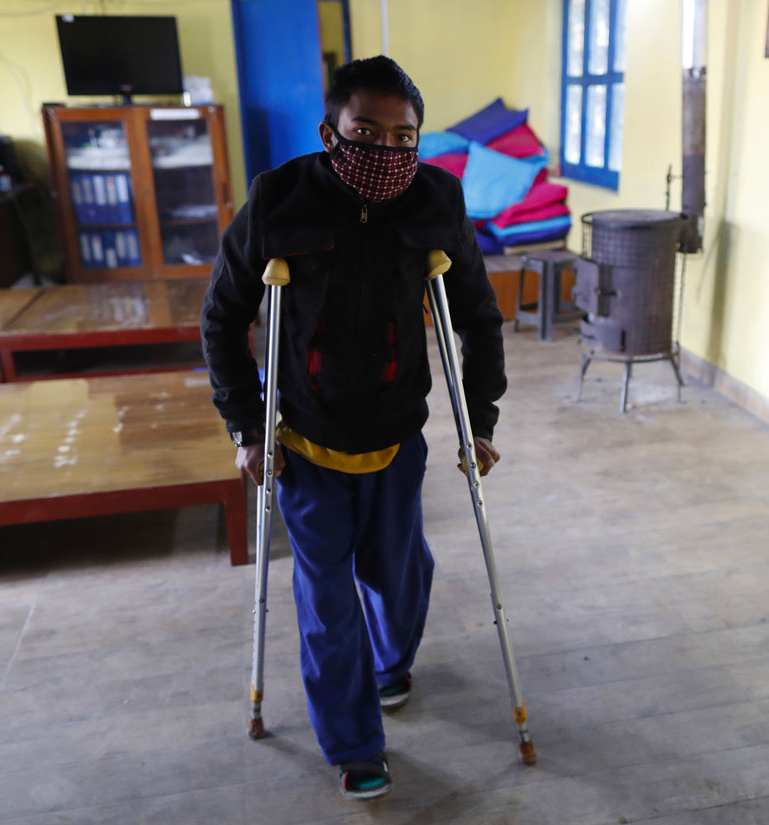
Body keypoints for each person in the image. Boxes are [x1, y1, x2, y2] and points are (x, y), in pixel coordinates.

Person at [200, 55, 506, 800]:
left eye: (404, 138)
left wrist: (482, 416)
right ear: (330, 131)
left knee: (399, 575)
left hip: (398, 435)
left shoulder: (436, 198)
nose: (386, 151)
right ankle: (354, 741)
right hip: (305, 441)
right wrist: (247, 425)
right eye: (365, 131)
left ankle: (393, 659)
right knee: (327, 598)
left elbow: (477, 316)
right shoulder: (280, 200)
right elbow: (222, 316)